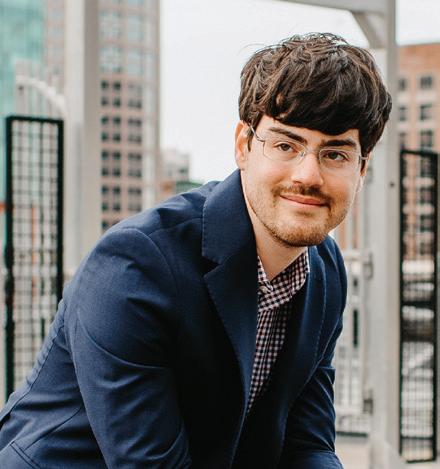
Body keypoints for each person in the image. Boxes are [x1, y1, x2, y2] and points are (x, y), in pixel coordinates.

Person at [0, 33, 391, 468]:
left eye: (335, 155)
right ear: (243, 146)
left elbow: (308, 446)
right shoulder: (136, 265)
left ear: (362, 168)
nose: (308, 175)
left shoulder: (325, 271)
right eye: (286, 145)